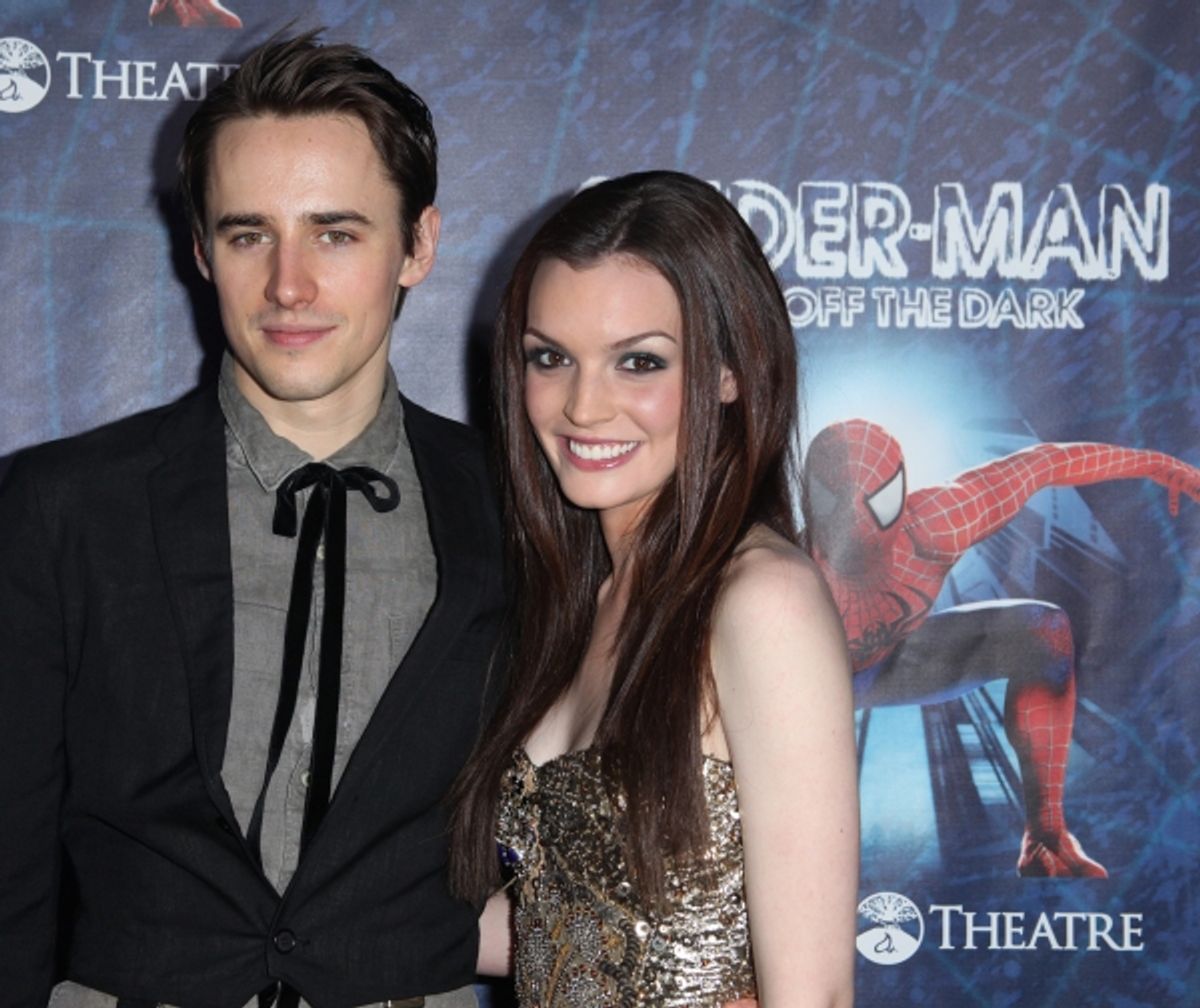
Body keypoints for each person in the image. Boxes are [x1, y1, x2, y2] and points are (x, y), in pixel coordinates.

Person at [0, 31, 503, 1008]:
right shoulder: (63, 509)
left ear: (420, 245)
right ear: (199, 248)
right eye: (248, 234)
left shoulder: (515, 510)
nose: (288, 285)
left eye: (336, 232)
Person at [451, 171, 859, 1007]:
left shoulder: (760, 602)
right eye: (549, 358)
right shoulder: (587, 603)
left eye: (638, 362)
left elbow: (810, 995)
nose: (583, 406)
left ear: (729, 374)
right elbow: (568, 925)